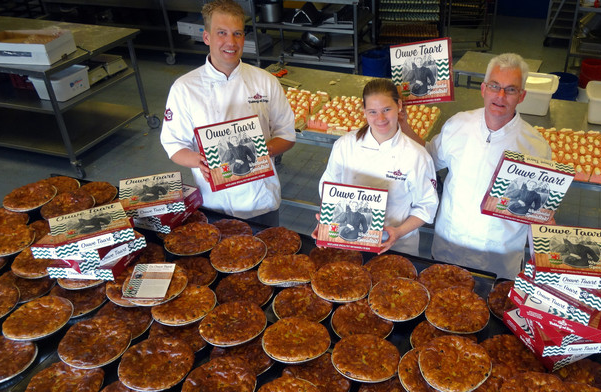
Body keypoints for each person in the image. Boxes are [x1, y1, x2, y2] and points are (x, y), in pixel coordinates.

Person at [411, 53, 552, 279]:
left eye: (511, 89)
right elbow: (427, 158)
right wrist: (402, 124)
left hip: (498, 258)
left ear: (522, 96)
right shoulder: (458, 124)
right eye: (495, 86)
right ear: (484, 89)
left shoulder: (535, 146)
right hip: (450, 245)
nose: (501, 95)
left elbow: (539, 212)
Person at [160, 0, 295, 226]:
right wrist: (199, 161)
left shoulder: (266, 81)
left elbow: (287, 134)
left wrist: (263, 151)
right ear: (206, 37)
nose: (230, 42)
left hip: (260, 200)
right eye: (221, 33)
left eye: (237, 33)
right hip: (213, 203)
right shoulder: (184, 88)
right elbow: (173, 145)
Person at [313, 78, 439, 255]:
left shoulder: (417, 156)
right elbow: (328, 187)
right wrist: (327, 221)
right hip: (349, 242)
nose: (380, 118)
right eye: (372, 111)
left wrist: (399, 232)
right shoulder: (345, 145)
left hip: (396, 247)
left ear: (399, 106)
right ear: (364, 111)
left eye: (386, 110)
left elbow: (426, 205)